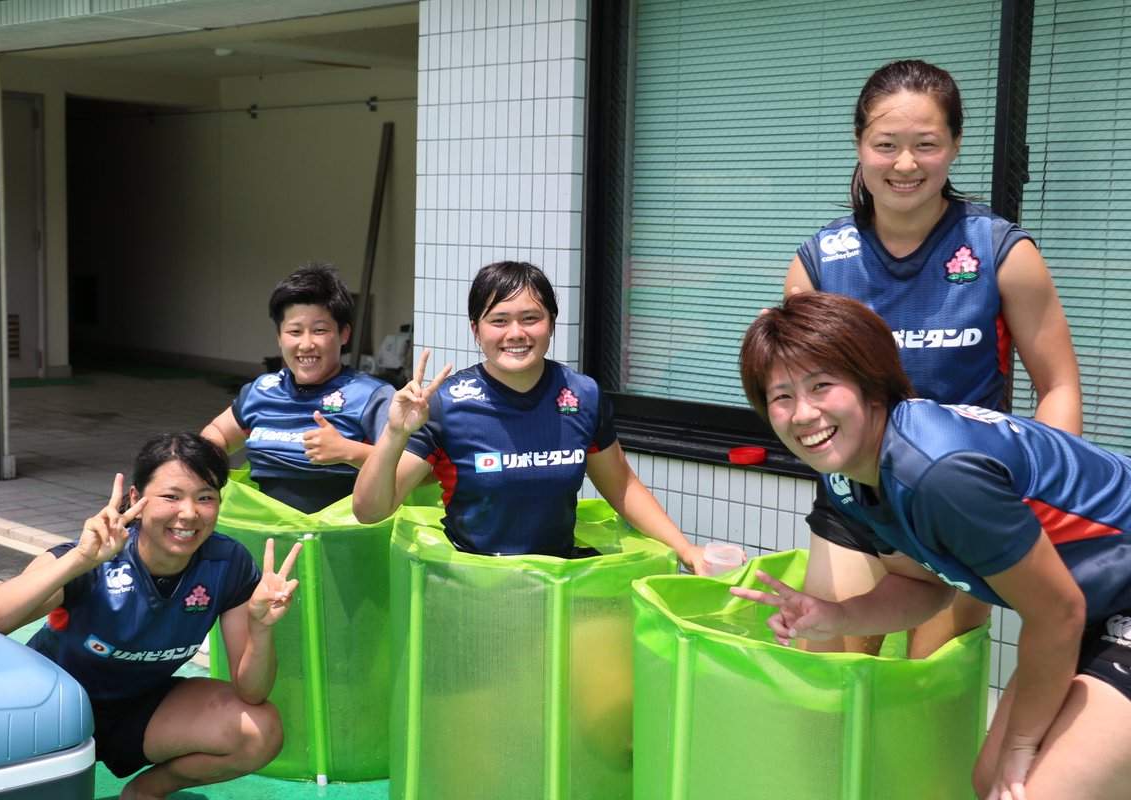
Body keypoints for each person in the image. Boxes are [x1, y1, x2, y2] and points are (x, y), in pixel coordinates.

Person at [734, 291, 1130, 799]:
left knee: (1031, 789)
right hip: (1094, 606)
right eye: (781, 396)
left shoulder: (937, 472)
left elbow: (1056, 613)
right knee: (990, 782)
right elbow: (922, 584)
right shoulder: (850, 474)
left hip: (1092, 603)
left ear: (872, 387)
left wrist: (1022, 745)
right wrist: (840, 616)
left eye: (822, 385)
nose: (804, 413)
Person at [783, 59, 1081, 657]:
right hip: (858, 499)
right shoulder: (820, 261)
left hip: (961, 498)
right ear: (860, 145)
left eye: (927, 145)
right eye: (886, 145)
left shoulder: (1001, 251)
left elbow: (1058, 386)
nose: (905, 164)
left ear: (955, 146)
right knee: (827, 677)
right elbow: (802, 396)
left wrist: (1037, 494)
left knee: (929, 687)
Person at [0, 432, 302, 800]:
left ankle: (147, 791)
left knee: (259, 729)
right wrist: (78, 562)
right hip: (49, 713)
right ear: (137, 498)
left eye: (206, 498)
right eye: (171, 497)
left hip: (142, 709)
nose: (189, 513)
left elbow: (252, 693)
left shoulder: (228, 563)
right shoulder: (92, 557)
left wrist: (261, 628)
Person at [354, 260, 726, 572]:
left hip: (556, 584)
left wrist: (685, 549)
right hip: (471, 584)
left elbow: (621, 485)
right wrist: (393, 433)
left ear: (551, 322)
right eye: (498, 321)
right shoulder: (445, 403)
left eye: (530, 318)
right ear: (476, 331)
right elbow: (370, 511)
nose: (516, 333)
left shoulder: (582, 395)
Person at [203, 261, 395, 514]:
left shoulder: (372, 395)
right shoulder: (262, 390)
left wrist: (349, 452)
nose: (306, 344)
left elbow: (413, 467)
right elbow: (219, 434)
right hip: (265, 534)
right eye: (294, 331)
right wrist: (199, 469)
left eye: (319, 330)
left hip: (343, 540)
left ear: (344, 334)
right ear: (279, 337)